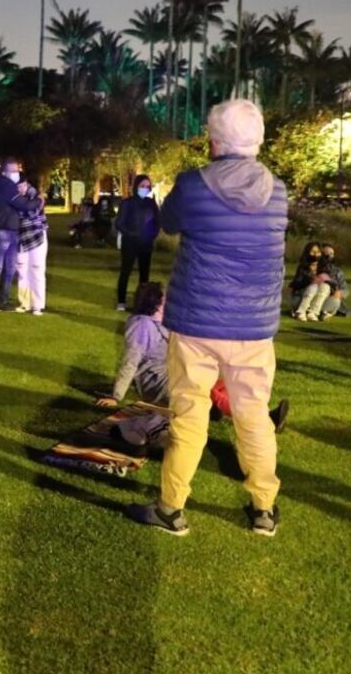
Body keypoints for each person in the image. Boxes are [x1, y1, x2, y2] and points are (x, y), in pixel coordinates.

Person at [127, 99, 288, 538]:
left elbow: (168, 222)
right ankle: (263, 509)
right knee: (253, 416)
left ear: (215, 141)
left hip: (197, 321)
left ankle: (172, 509)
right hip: (254, 325)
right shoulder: (278, 190)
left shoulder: (194, 185)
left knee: (189, 415)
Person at [94, 283, 288, 448]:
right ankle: (263, 421)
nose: (169, 300)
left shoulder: (162, 320)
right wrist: (116, 396)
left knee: (222, 383)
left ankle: (233, 411)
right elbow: (130, 362)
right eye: (165, 297)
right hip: (157, 381)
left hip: (174, 372)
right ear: (155, 302)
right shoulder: (141, 326)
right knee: (205, 387)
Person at [0, 157, 41, 313]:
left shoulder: (4, 185)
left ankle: (2, 300)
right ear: (4, 172)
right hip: (2, 231)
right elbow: (22, 204)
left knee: (10, 268)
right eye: (13, 171)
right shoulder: (4, 185)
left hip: (11, 230)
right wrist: (38, 200)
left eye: (17, 170)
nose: (16, 173)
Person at [114, 174, 160, 310]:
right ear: (136, 187)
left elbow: (157, 221)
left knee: (144, 275)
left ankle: (142, 304)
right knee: (125, 272)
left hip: (146, 244)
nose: (145, 188)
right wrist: (131, 234)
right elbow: (119, 223)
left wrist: (152, 234)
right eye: (142, 186)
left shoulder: (151, 203)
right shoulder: (127, 203)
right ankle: (121, 302)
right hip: (130, 243)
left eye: (147, 186)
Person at [14, 179, 49, 316]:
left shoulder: (36, 197)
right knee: (22, 271)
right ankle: (24, 303)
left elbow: (30, 211)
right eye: (17, 186)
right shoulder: (15, 198)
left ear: (27, 184)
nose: (20, 189)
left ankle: (38, 305)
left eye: (22, 185)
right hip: (21, 238)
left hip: (37, 236)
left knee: (37, 269)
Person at [289, 241, 332, 321]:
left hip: (316, 293)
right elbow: (296, 283)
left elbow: (329, 280)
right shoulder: (303, 267)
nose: (315, 255)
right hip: (302, 293)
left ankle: (313, 312)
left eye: (318, 252)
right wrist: (309, 279)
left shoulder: (323, 266)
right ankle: (300, 311)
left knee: (325, 287)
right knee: (313, 287)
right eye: (313, 252)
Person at [318, 243, 350, 319]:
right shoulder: (314, 269)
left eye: (332, 254)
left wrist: (340, 293)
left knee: (336, 301)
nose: (329, 256)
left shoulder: (337, 271)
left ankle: (325, 313)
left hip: (330, 299)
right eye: (326, 254)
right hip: (316, 297)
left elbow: (345, 289)